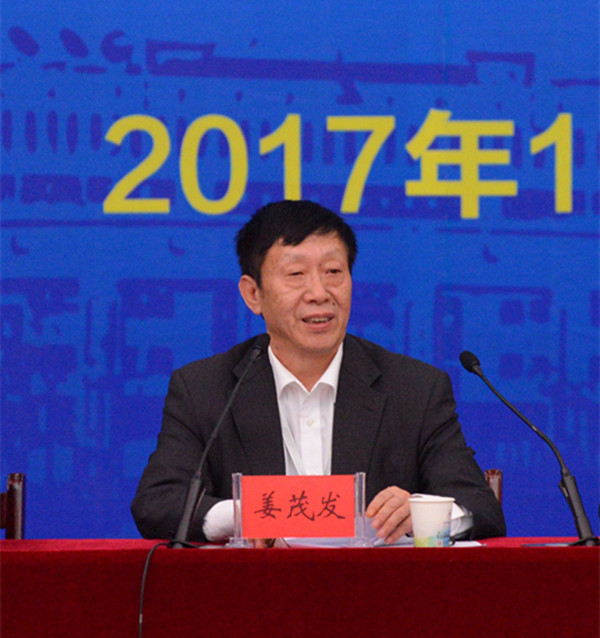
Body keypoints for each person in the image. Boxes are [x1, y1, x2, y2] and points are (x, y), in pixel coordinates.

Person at [131, 200, 505, 544]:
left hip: (376, 589)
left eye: (333, 272)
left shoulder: (415, 389)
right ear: (253, 294)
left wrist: (421, 514)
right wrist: (247, 516)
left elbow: (481, 509)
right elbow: (158, 502)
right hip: (255, 590)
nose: (319, 292)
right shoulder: (205, 389)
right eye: (296, 274)